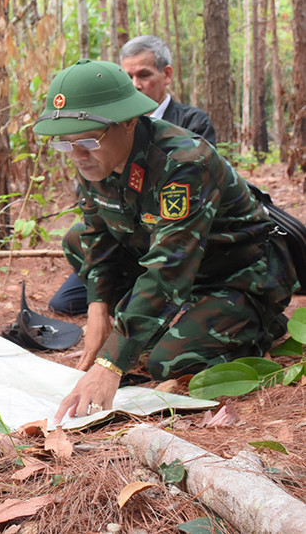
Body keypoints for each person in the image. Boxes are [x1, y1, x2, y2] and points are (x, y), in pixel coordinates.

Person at [29, 59, 297, 423]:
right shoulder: (95, 161)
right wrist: (98, 311)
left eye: (89, 139)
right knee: (77, 239)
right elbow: (97, 236)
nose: (77, 155)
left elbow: (168, 268)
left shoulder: (183, 162)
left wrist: (111, 361)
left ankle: (258, 322)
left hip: (236, 273)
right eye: (65, 143)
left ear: (127, 121)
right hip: (176, 264)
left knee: (168, 362)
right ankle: (165, 319)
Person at [48, 35, 217, 316]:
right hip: (132, 236)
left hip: (179, 238)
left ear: (166, 75)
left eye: (144, 75)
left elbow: (188, 205)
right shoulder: (92, 138)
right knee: (66, 297)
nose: (136, 84)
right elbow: (96, 208)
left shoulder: (191, 126)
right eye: (128, 76)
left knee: (172, 352)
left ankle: (159, 306)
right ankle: (134, 301)